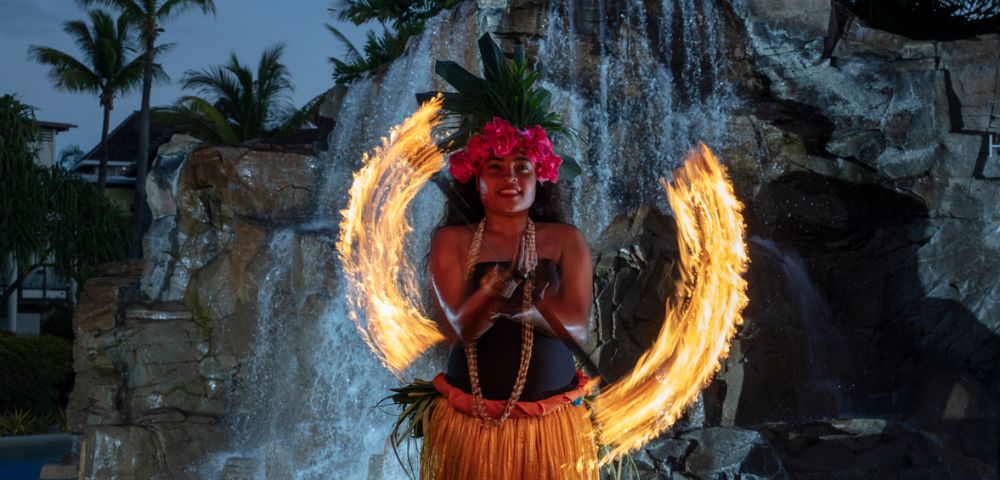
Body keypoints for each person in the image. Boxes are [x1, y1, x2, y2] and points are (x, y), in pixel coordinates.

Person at [412, 34, 599, 480]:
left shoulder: (565, 239)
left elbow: (575, 328)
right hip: (469, 427)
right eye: (493, 167)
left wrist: (504, 304)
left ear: (541, 176)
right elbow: (455, 329)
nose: (509, 178)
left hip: (550, 431)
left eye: (521, 167)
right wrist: (505, 294)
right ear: (472, 178)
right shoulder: (452, 241)